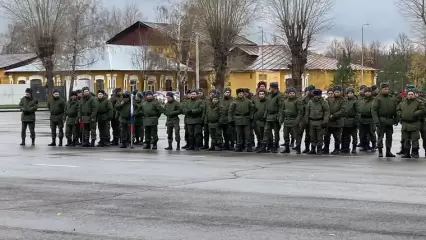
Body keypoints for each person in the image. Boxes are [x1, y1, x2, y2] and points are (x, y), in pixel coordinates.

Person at [396, 88, 425, 158]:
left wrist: (415, 113)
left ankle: (415, 152)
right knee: (406, 139)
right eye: (409, 94)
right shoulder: (402, 103)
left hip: (414, 123)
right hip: (405, 123)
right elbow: (398, 110)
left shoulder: (418, 102)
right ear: (407, 95)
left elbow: (423, 110)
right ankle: (407, 153)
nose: (410, 96)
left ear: (414, 95)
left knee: (415, 139)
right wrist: (401, 115)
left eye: (412, 94)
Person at [372, 82, 398, 157]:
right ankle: (380, 151)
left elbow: (396, 109)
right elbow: (374, 110)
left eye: (387, 89)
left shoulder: (392, 98)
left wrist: (396, 119)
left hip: (390, 121)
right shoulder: (378, 98)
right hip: (381, 120)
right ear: (381, 89)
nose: (386, 90)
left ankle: (388, 151)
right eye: (384, 89)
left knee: (389, 137)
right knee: (380, 137)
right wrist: (376, 120)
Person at [304, 89, 330, 154]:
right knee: (312, 136)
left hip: (320, 121)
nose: (316, 96)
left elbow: (327, 112)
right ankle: (313, 149)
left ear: (320, 95)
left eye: (318, 95)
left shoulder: (324, 102)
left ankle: (319, 149)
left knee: (320, 136)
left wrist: (325, 121)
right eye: (315, 95)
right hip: (311, 121)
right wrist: (306, 121)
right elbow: (307, 112)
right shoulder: (310, 102)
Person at [279, 87, 303, 154]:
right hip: (286, 121)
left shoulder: (298, 101)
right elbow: (282, 111)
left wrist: (297, 121)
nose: (292, 94)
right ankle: (287, 148)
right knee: (285, 136)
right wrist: (281, 120)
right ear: (288, 94)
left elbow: (300, 112)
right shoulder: (285, 101)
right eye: (290, 93)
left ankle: (298, 148)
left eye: (293, 93)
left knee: (296, 135)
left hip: (294, 120)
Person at [323, 85, 346, 154]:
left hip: (337, 122)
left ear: (340, 92)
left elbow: (343, 110)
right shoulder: (327, 100)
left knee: (337, 137)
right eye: (335, 92)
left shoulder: (342, 100)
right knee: (326, 136)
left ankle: (337, 149)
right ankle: (326, 148)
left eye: (337, 92)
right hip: (328, 122)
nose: (336, 93)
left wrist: (334, 115)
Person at [229, 88, 254, 152]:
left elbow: (251, 109)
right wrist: (231, 120)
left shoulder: (248, 101)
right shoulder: (234, 102)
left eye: (242, 93)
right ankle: (239, 146)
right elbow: (230, 112)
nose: (241, 94)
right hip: (237, 119)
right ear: (237, 94)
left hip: (246, 119)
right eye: (239, 93)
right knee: (239, 134)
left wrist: (251, 117)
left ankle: (249, 146)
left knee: (248, 134)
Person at [261, 82, 283, 153]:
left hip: (275, 116)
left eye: (272, 88)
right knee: (266, 131)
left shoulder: (280, 96)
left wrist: (279, 117)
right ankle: (264, 146)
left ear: (275, 88)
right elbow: (267, 106)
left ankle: (275, 145)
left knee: (276, 132)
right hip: (268, 116)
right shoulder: (269, 95)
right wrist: (265, 115)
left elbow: (281, 107)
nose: (271, 89)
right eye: (271, 88)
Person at [341, 88, 360, 154]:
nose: (350, 94)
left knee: (354, 136)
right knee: (346, 136)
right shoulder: (345, 101)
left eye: (351, 93)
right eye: (348, 93)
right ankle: (346, 148)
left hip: (353, 120)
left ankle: (354, 148)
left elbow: (358, 112)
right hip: (345, 121)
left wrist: (356, 121)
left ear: (353, 93)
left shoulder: (355, 101)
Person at [358, 87, 376, 152]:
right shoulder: (361, 100)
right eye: (366, 92)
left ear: (371, 93)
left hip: (370, 119)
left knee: (371, 133)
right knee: (363, 134)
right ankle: (364, 146)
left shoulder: (374, 100)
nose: (367, 93)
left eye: (369, 92)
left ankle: (374, 146)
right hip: (362, 119)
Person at [301, 85, 315, 153]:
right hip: (306, 118)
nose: (311, 92)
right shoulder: (304, 98)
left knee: (313, 134)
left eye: (312, 90)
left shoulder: (316, 97)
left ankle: (313, 148)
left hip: (314, 118)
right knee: (307, 134)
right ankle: (307, 148)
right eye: (310, 90)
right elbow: (301, 107)